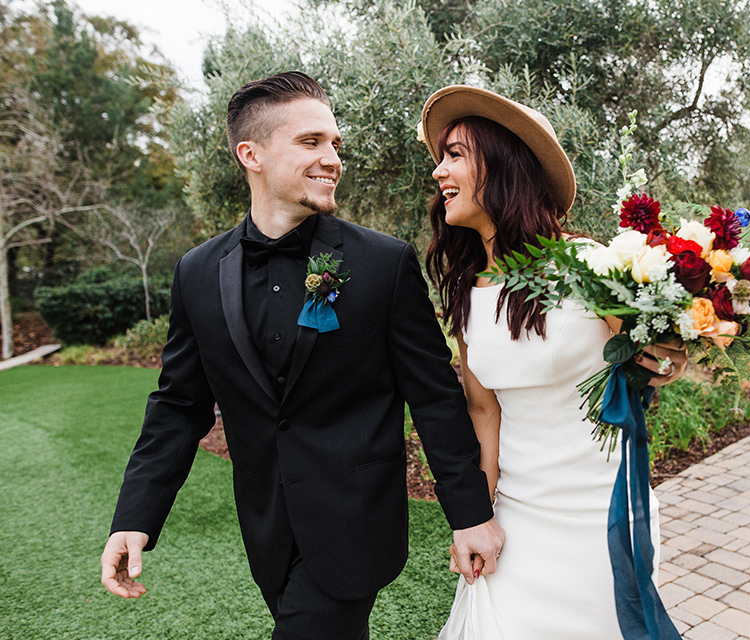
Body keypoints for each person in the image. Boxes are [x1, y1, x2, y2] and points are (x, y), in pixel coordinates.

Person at [99, 72, 504, 640]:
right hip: (267, 525)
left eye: (335, 144)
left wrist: (470, 513)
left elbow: (435, 395)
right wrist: (136, 517)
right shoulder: (197, 272)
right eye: (311, 142)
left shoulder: (382, 264)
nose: (332, 158)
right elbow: (179, 404)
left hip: (355, 521)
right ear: (252, 154)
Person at [420, 86, 686, 639]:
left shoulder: (591, 265)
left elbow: (651, 361)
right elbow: (484, 415)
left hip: (600, 521)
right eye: (440, 158)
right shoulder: (469, 294)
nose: (439, 172)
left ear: (504, 164)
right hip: (518, 524)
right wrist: (477, 518)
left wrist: (668, 358)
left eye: (455, 155)